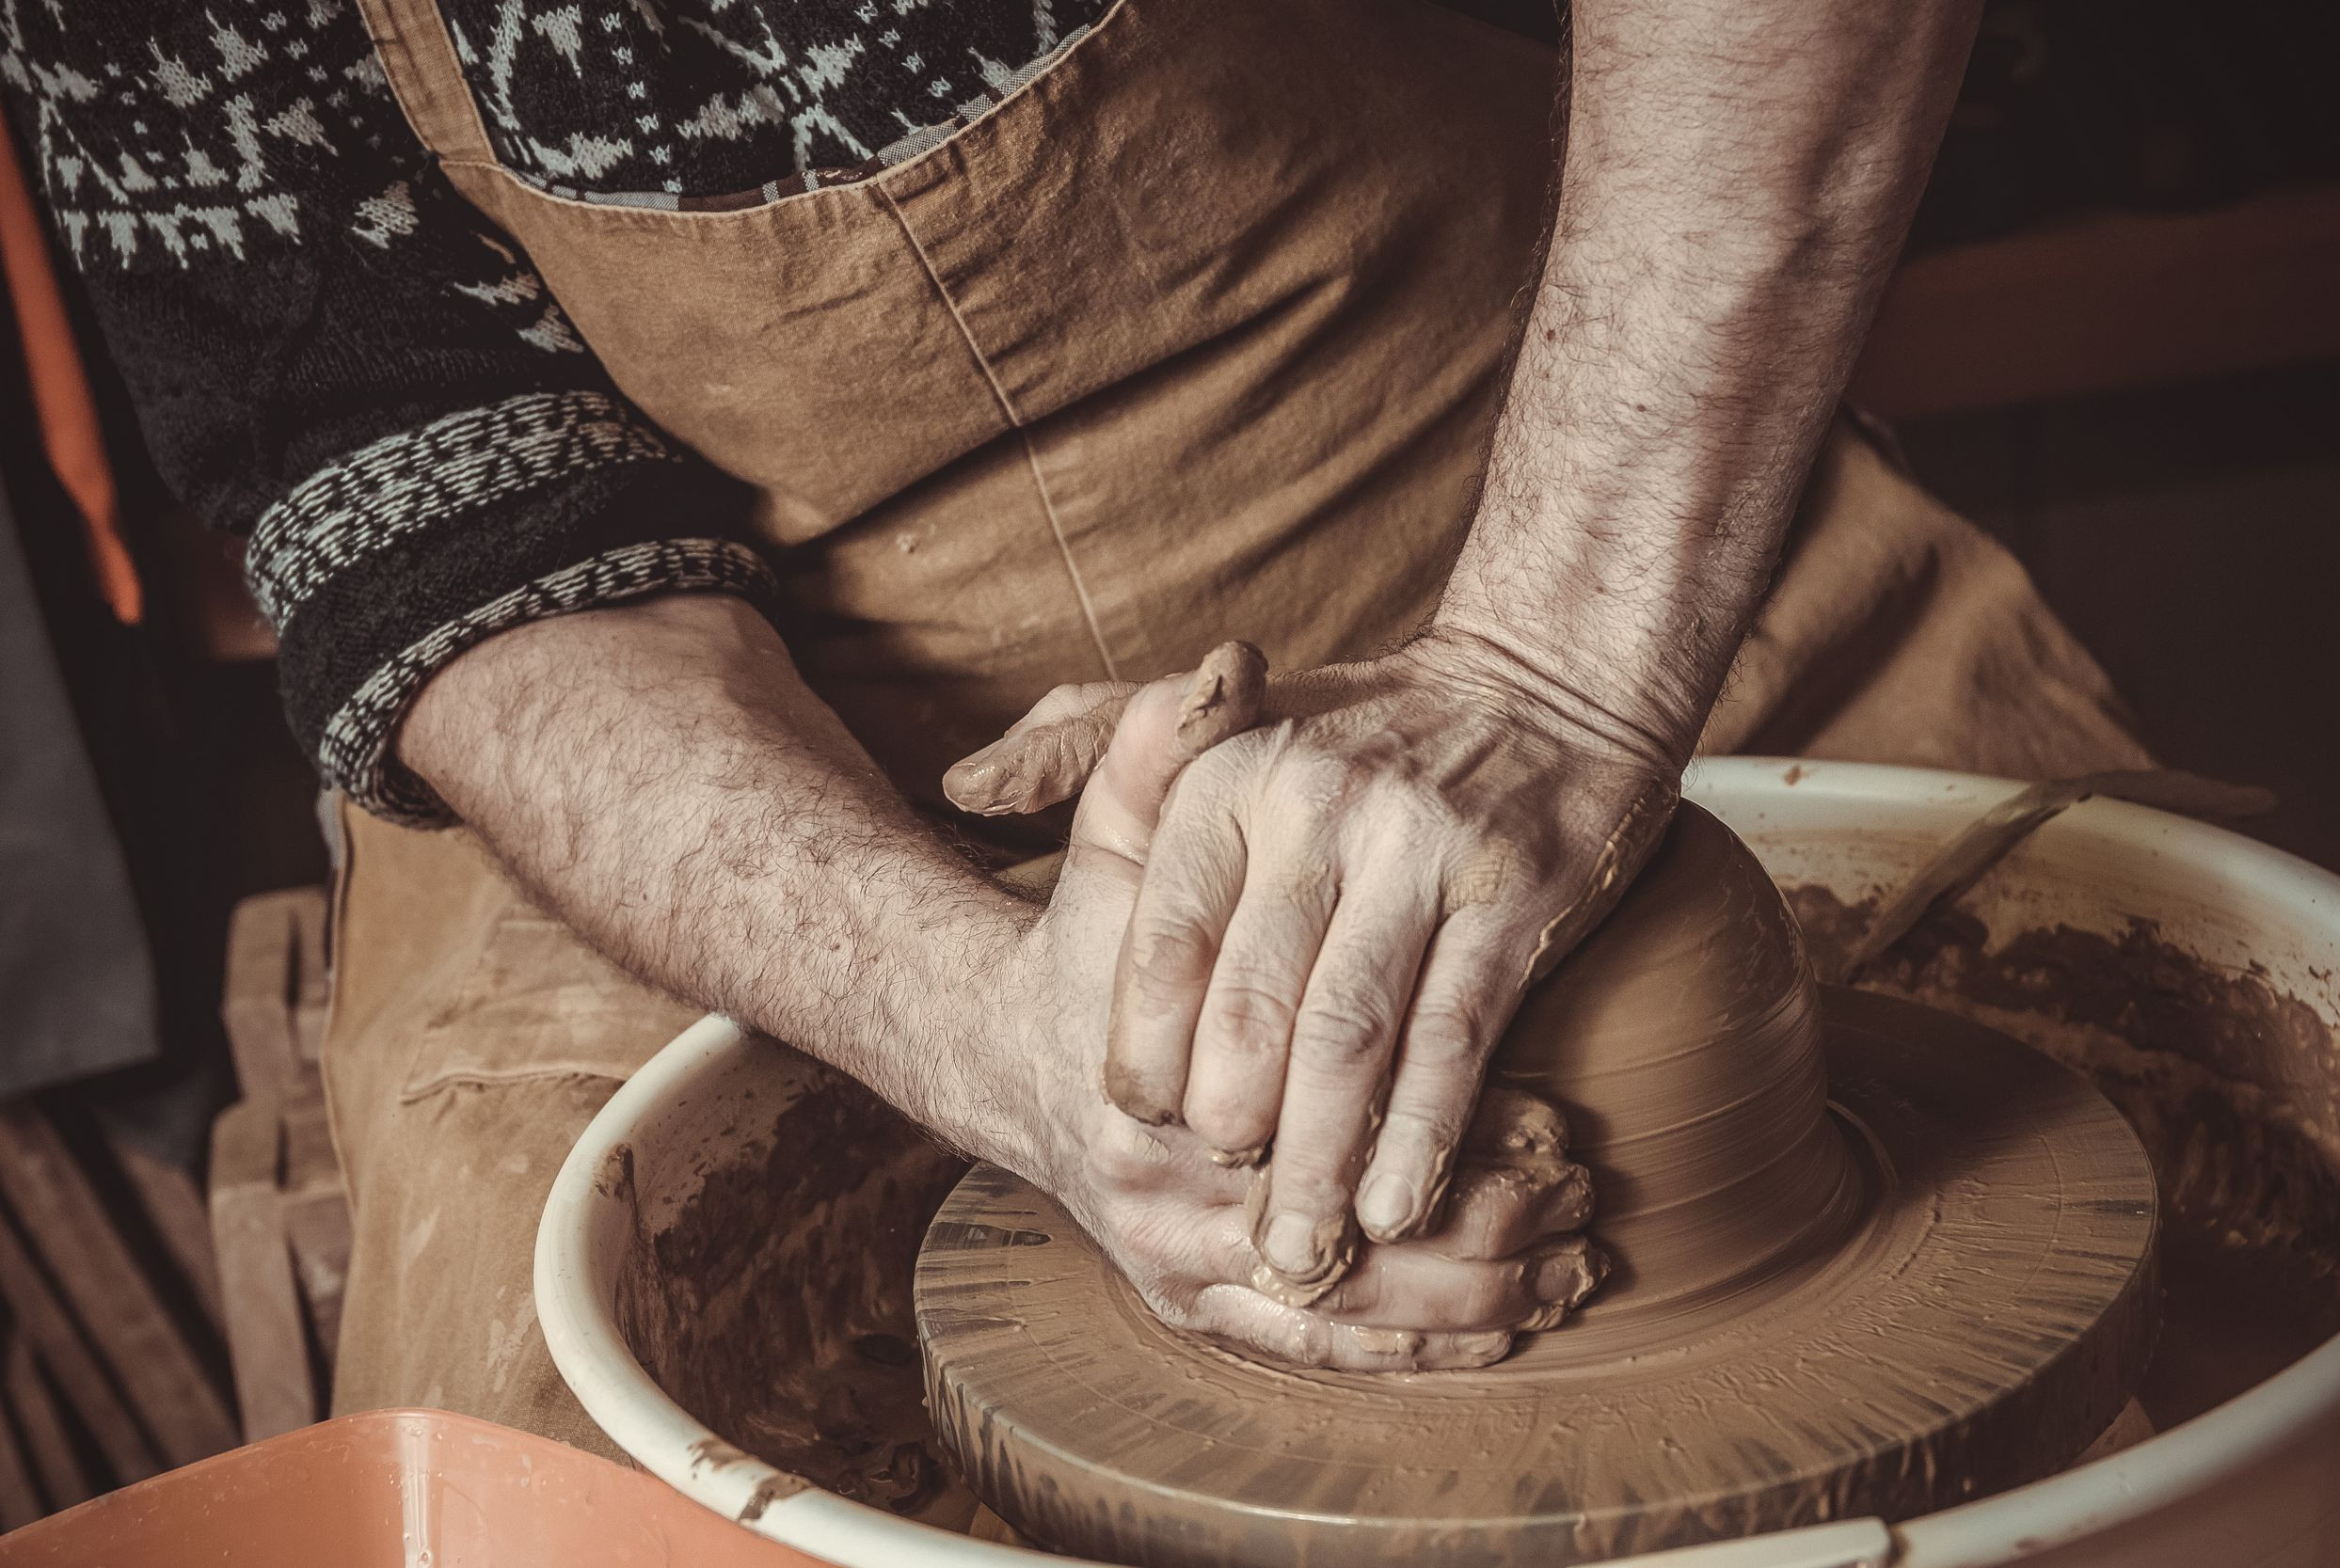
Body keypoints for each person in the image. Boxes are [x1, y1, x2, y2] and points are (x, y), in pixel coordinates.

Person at [4, 0, 2149, 1459]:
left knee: (2120, 1127)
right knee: (543, 1425)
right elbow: (411, 488)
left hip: (1538, 468)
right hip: (711, 742)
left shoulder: (1564, 614)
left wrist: (1550, 676)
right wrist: (1002, 1043)